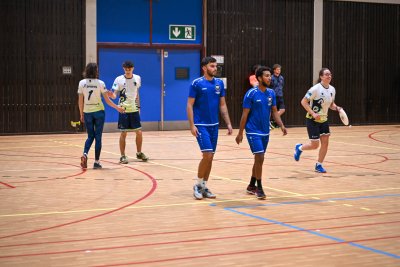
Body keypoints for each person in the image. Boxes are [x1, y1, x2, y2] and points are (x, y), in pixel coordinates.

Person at [236, 66, 287, 199]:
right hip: (252, 131)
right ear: (259, 78)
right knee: (260, 157)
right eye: (266, 75)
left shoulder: (271, 93)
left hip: (265, 131)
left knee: (259, 160)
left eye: (270, 75)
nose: (270, 78)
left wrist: (281, 125)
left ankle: (251, 185)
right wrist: (240, 133)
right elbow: (244, 114)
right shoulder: (251, 93)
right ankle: (259, 187)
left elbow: (275, 111)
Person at [187, 56, 233, 200]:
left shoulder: (219, 83)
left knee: (211, 157)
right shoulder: (196, 84)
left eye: (216, 66)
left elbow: (223, 105)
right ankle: (198, 185)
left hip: (214, 125)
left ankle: (204, 186)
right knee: (207, 155)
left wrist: (229, 123)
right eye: (212, 66)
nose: (215, 68)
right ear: (204, 67)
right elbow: (189, 105)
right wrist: (192, 125)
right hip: (201, 125)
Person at [293, 68, 343, 173]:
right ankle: (299, 148)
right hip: (312, 120)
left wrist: (337, 108)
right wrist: (313, 113)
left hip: (324, 120)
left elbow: (331, 105)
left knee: (325, 144)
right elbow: (303, 102)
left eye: (330, 74)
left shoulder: (332, 89)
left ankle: (319, 165)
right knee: (314, 145)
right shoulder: (315, 89)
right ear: (321, 77)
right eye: (326, 74)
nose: (329, 76)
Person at [78, 63, 125, 169]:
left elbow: (80, 101)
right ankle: (96, 162)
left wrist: (81, 113)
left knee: (90, 136)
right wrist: (117, 108)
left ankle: (85, 154)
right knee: (98, 137)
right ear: (96, 71)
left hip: (87, 112)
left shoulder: (82, 83)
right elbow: (107, 101)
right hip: (99, 112)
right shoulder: (100, 83)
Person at [109, 60, 149, 164]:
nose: (127, 70)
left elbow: (137, 93)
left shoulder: (137, 78)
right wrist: (111, 95)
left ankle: (139, 152)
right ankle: (122, 156)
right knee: (123, 133)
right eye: (126, 69)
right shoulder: (118, 79)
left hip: (134, 109)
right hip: (123, 109)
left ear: (133, 68)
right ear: (123, 69)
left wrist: (139, 106)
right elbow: (114, 95)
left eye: (129, 69)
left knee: (139, 132)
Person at [270, 64, 285, 129]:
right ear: (274, 70)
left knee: (282, 110)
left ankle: (273, 119)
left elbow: (282, 85)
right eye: (278, 69)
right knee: (272, 110)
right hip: (273, 96)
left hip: (280, 95)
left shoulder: (281, 78)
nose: (279, 70)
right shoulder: (271, 78)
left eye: (280, 69)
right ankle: (270, 122)